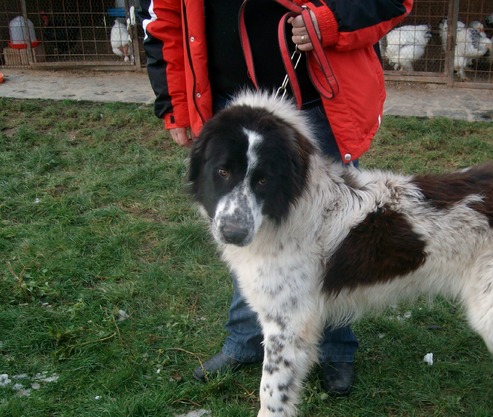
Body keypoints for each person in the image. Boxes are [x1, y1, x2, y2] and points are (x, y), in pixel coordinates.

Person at [138, 0, 412, 395]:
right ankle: (248, 339)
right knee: (244, 228)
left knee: (333, 235)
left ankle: (335, 346)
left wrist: (330, 21)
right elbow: (164, 18)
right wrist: (174, 103)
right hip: (227, 105)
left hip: (318, 107)